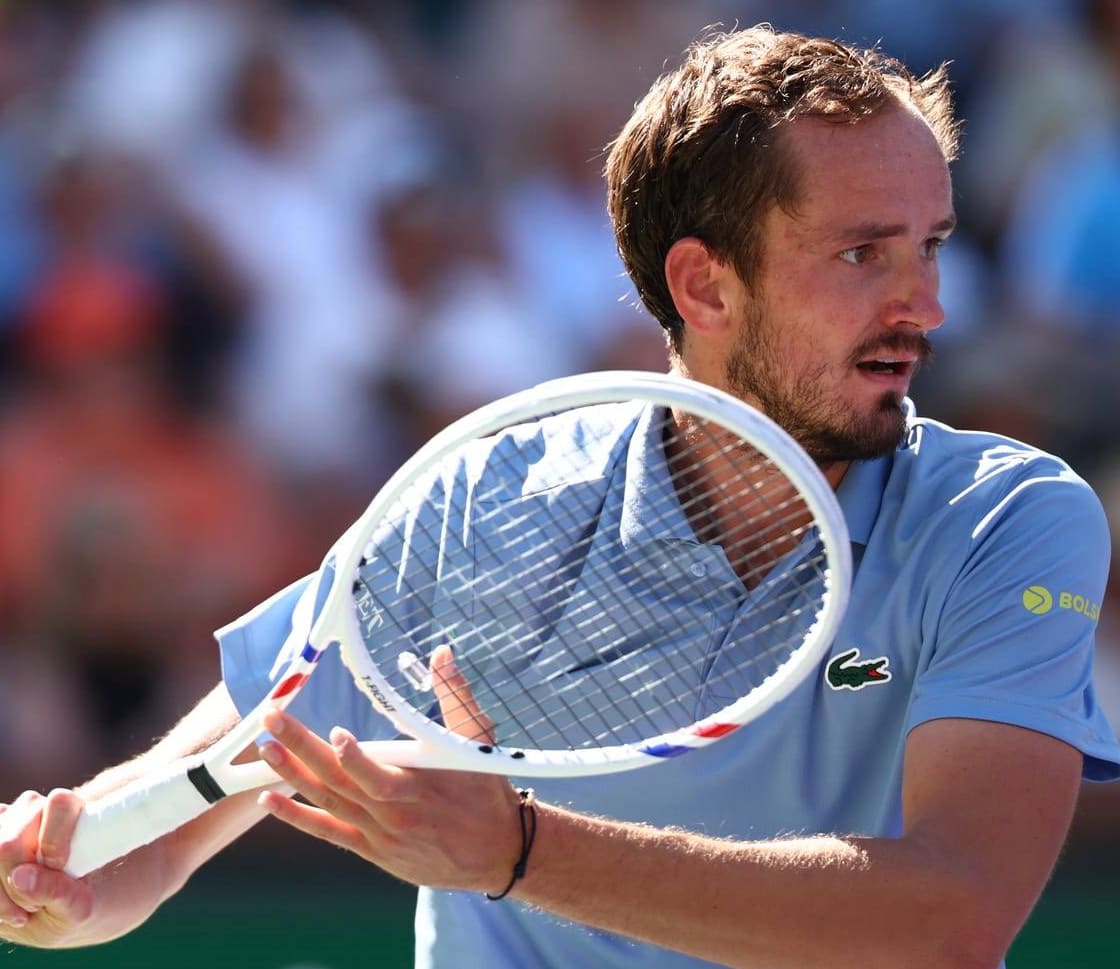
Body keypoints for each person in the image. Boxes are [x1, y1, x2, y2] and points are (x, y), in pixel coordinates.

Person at [2, 25, 1118, 969]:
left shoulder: (1006, 518)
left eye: (930, 246)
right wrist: (92, 876)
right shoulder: (487, 496)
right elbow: (209, 782)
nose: (925, 302)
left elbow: (952, 914)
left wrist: (518, 850)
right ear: (703, 284)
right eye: (862, 254)